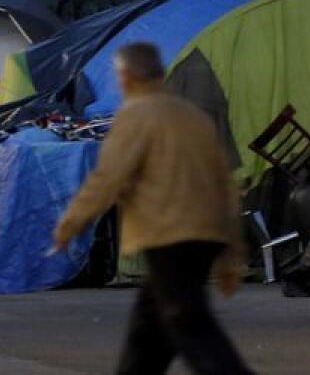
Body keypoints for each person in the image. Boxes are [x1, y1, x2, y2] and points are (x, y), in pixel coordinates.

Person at [52, 42, 252, 375]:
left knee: (189, 324)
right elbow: (226, 185)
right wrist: (232, 251)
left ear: (126, 76)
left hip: (169, 235)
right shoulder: (193, 116)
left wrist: (69, 223)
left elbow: (108, 177)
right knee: (150, 329)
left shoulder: (135, 115)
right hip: (207, 233)